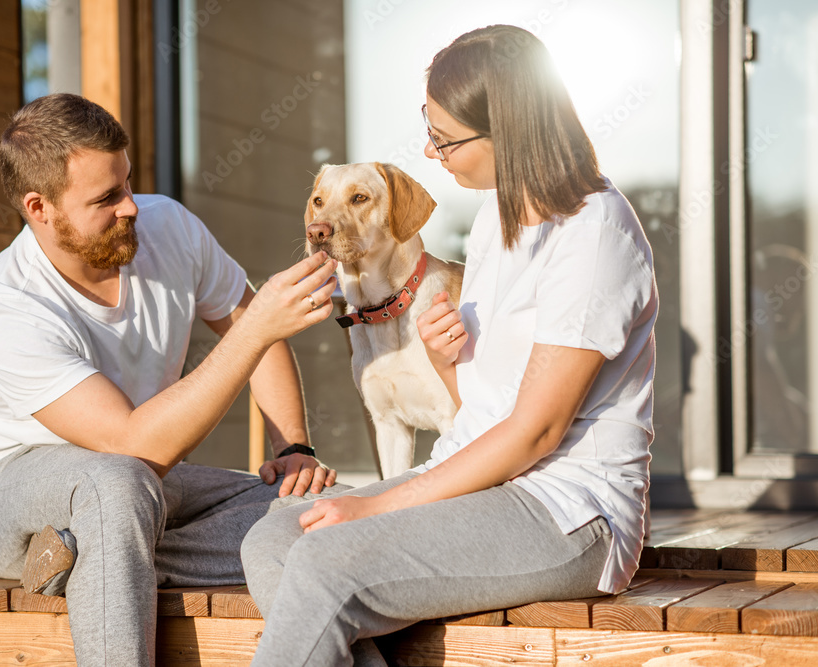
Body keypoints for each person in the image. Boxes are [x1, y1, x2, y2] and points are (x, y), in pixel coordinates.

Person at [240, 24, 658, 666]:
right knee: (270, 537)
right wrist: (443, 359)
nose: (432, 155)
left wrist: (375, 505)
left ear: (508, 131)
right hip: (486, 483)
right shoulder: (499, 216)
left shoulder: (594, 234)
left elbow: (535, 434)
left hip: (569, 513)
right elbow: (483, 412)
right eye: (428, 130)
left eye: (445, 139)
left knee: (325, 557)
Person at [0, 93, 346, 667]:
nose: (131, 207)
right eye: (106, 198)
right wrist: (255, 328)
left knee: (330, 511)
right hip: (15, 494)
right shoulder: (9, 306)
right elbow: (135, 443)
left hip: (147, 485)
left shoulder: (169, 226)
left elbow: (255, 333)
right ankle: (100, 548)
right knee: (113, 484)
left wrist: (292, 449)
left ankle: (80, 555)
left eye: (128, 184)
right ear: (39, 208)